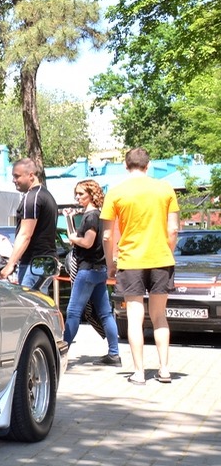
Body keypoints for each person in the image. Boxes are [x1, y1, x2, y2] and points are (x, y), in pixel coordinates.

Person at [101, 148, 179, 385]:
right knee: (159, 317)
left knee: (135, 318)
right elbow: (173, 229)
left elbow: (107, 235)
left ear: (126, 166)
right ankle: (164, 370)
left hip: (130, 260)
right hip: (161, 260)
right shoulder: (166, 189)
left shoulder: (115, 193)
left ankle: (138, 373)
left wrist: (110, 264)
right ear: (149, 165)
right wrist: (167, 251)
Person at [63, 180, 122, 366]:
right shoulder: (100, 215)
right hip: (100, 270)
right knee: (105, 313)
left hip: (87, 270)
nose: (77, 197)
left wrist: (73, 238)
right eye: (76, 194)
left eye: (81, 194)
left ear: (91, 193)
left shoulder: (91, 216)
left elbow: (87, 242)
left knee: (73, 312)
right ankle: (114, 354)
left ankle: (61, 353)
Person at [1, 158, 59, 288]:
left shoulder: (32, 197)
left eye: (17, 176)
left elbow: (25, 235)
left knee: (29, 304)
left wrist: (10, 265)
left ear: (31, 175)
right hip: (45, 262)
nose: (13, 180)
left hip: (35, 264)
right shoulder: (47, 196)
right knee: (40, 305)